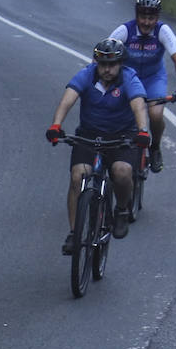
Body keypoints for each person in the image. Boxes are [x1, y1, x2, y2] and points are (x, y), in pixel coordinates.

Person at [46, 40, 151, 252]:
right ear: (97, 62)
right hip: (89, 134)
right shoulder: (87, 74)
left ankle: (121, 209)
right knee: (78, 176)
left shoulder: (129, 77)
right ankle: (75, 233)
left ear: (120, 63)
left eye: (112, 64)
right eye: (103, 64)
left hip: (122, 135)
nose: (107, 69)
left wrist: (142, 131)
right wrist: (56, 125)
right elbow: (68, 98)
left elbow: (138, 104)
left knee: (122, 172)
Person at [109, 0, 176, 172]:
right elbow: (103, 54)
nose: (146, 22)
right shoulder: (125, 30)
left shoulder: (162, 31)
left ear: (157, 18)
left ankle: (155, 147)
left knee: (156, 113)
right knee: (117, 110)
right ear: (136, 16)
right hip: (128, 78)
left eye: (151, 18)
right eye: (142, 17)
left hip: (154, 78)